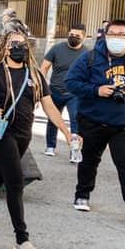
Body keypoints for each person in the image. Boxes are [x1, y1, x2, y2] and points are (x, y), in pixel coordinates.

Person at [0, 30, 72, 249]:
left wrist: (66, 132)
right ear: (5, 48)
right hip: (0, 133)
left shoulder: (35, 75)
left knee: (0, 173)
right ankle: (22, 238)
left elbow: (48, 106)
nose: (19, 47)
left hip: (23, 135)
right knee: (15, 181)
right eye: (14, 43)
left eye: (23, 43)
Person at [66, 19, 125, 224]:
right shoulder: (91, 58)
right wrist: (97, 90)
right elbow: (71, 82)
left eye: (121, 35)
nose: (116, 38)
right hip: (93, 120)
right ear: (105, 35)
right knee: (89, 161)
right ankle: (82, 195)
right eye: (112, 34)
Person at [39, 24, 89, 157]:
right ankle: (50, 146)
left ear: (83, 37)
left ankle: (75, 150)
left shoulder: (87, 53)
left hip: (75, 93)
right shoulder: (57, 48)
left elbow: (91, 73)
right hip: (55, 90)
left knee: (75, 121)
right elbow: (44, 67)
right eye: (71, 34)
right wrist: (42, 86)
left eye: (77, 36)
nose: (73, 37)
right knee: (53, 118)